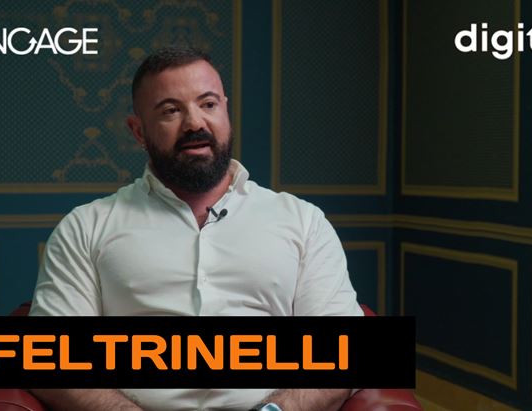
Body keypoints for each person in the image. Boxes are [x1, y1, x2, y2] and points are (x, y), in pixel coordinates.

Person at [28, 46, 363, 411]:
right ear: (138, 131)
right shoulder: (85, 227)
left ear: (226, 111)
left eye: (208, 104)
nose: (195, 123)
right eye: (171, 110)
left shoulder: (303, 221)